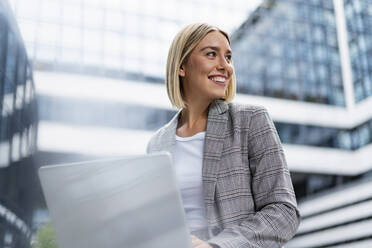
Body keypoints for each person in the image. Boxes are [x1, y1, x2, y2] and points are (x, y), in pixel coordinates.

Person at [147, 23, 300, 248]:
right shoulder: (157, 144)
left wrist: (218, 246)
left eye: (228, 58)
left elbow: (283, 212)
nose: (225, 66)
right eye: (211, 54)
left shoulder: (250, 120)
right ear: (182, 66)